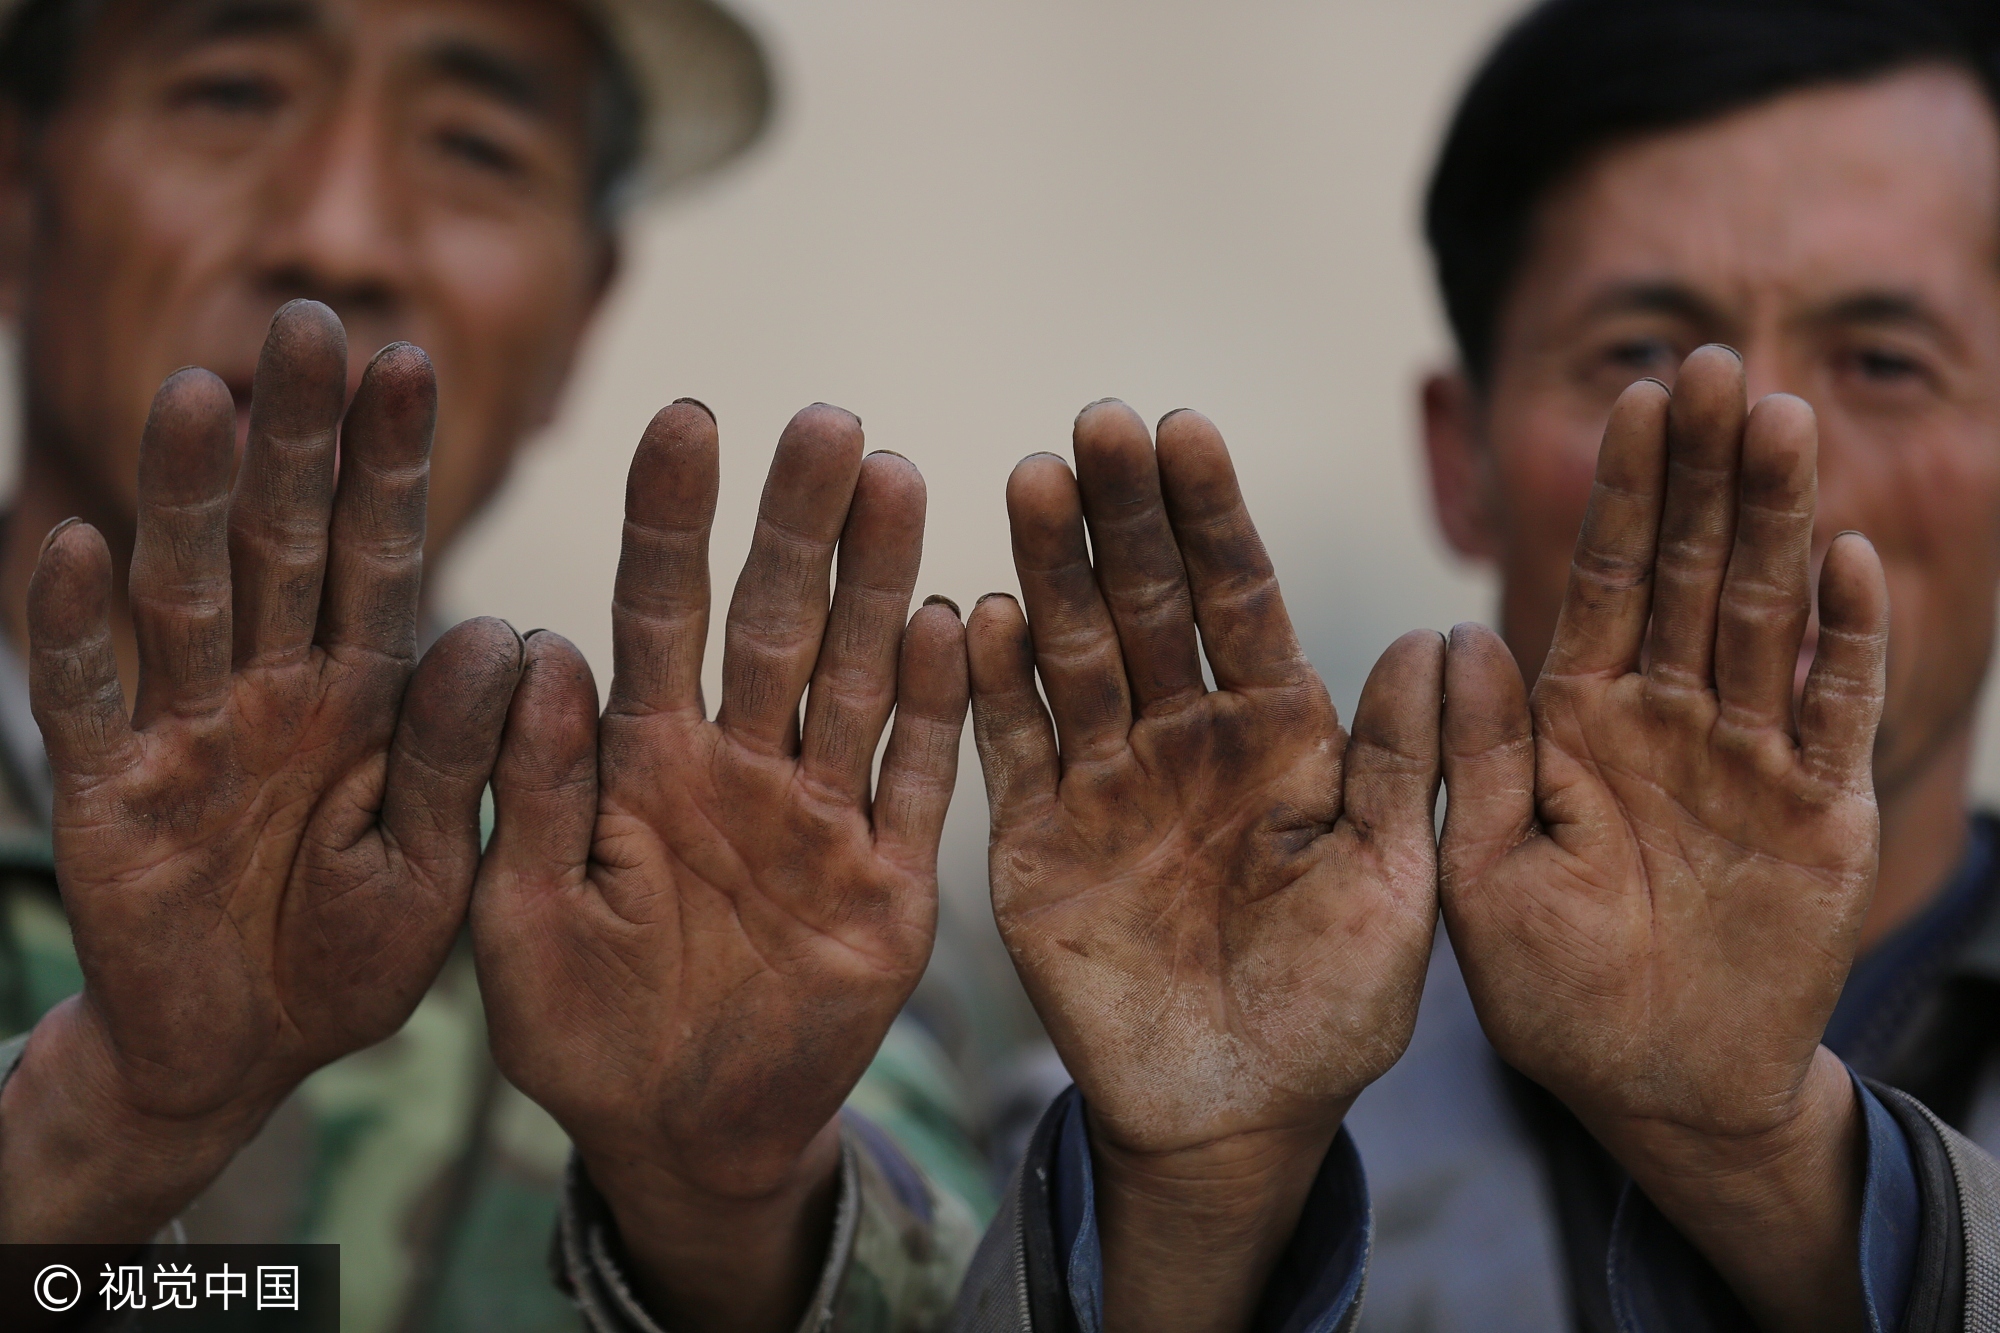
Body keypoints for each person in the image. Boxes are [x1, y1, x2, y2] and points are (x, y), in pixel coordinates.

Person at [0, 1, 992, 1329]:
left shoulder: (718, 901)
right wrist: (93, 1126)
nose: (340, 234)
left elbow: (968, 1253)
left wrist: (735, 1206)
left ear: (581, 316)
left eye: (472, 147)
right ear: (16, 192)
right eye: (230, 95)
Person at [1348, 0, 2000, 1328]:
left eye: (1884, 360)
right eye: (1641, 358)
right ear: (1455, 456)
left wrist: (1767, 1161)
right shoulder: (1229, 1080)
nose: (1760, 458)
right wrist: (1192, 1207)